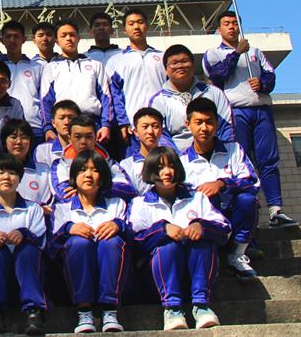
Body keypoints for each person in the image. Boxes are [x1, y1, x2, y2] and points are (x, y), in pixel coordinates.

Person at [203, 11, 296, 228]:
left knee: (268, 160)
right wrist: (236, 53)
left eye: (235, 23)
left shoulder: (255, 52)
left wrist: (262, 84)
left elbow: (270, 75)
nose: (231, 27)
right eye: (226, 23)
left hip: (261, 109)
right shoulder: (213, 53)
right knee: (242, 161)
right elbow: (217, 76)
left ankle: (276, 208)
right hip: (235, 111)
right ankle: (249, 210)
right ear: (219, 29)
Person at [128, 147, 230, 331]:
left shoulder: (197, 198)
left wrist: (202, 226)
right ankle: (172, 309)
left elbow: (225, 229)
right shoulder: (140, 204)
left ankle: (201, 306)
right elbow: (134, 241)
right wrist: (162, 230)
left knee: (202, 242)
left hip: (196, 275)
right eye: (160, 168)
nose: (167, 172)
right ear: (150, 171)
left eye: (171, 166)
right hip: (158, 280)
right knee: (169, 246)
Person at [50, 150, 129, 333]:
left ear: (103, 176)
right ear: (73, 176)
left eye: (94, 170)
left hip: (110, 269)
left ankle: (109, 310)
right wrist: (68, 229)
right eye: (82, 170)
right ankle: (84, 311)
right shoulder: (62, 208)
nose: (88, 175)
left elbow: (132, 238)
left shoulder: (116, 204)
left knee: (111, 243)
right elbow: (51, 247)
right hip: (74, 274)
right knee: (78, 243)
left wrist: (118, 225)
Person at [183, 98, 260, 279]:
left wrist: (222, 183)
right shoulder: (182, 161)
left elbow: (252, 182)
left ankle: (237, 254)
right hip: (206, 221)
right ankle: (211, 257)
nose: (204, 128)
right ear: (188, 125)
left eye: (209, 122)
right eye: (198, 122)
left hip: (233, 213)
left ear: (217, 124)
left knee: (248, 200)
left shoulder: (233, 150)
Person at [0, 154, 47, 334]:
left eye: (12, 173)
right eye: (0, 173)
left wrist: (23, 234)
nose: (6, 177)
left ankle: (33, 311)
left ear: (19, 179)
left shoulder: (33, 209)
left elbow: (41, 241)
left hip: (26, 270)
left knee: (28, 250)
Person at [149, 44, 233, 151]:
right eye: (174, 63)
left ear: (193, 66)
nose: (180, 66)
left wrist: (222, 153)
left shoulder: (213, 93)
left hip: (215, 154)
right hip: (178, 156)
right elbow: (161, 136)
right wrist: (178, 158)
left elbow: (226, 127)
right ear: (166, 70)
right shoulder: (158, 101)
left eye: (185, 61)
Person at [39, 19, 111, 144]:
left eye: (72, 35)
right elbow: (46, 101)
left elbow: (106, 97)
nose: (68, 38)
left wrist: (106, 125)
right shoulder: (50, 68)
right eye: (63, 35)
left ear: (78, 38)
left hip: (93, 124)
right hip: (64, 125)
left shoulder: (95, 65)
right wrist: (48, 128)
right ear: (57, 41)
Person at [106, 9, 166, 156]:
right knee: (135, 166)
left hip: (162, 126)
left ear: (147, 26)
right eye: (131, 23)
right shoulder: (116, 60)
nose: (136, 27)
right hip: (132, 128)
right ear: (124, 30)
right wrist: (123, 122)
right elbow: (115, 95)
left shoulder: (162, 57)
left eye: (140, 22)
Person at [51, 115, 135, 203]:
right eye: (78, 137)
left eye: (88, 137)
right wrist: (103, 188)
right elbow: (63, 195)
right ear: (69, 138)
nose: (83, 142)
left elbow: (128, 190)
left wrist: (90, 190)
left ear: (95, 137)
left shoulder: (109, 163)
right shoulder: (60, 165)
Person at [0, 119, 52, 208]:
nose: (18, 142)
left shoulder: (43, 170)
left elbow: (48, 202)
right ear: (5, 141)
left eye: (24, 137)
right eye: (13, 137)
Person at [120, 107, 165, 196]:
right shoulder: (127, 165)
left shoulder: (170, 160)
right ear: (135, 132)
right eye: (145, 127)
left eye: (155, 126)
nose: (150, 131)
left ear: (162, 130)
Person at [33, 100, 80, 167]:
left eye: (71, 118)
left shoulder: (85, 147)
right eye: (62, 118)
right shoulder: (43, 150)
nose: (66, 122)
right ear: (53, 123)